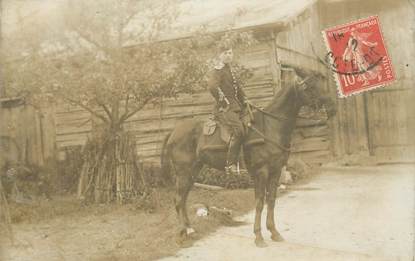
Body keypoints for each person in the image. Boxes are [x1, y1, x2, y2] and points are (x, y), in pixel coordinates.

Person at [207, 47, 248, 175]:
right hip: (224, 108)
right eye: (226, 53)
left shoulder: (230, 69)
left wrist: (245, 99)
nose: (229, 55)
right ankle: (230, 164)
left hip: (236, 106)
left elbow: (237, 88)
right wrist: (223, 101)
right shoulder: (217, 70)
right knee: (239, 131)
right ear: (220, 55)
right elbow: (212, 86)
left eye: (230, 52)